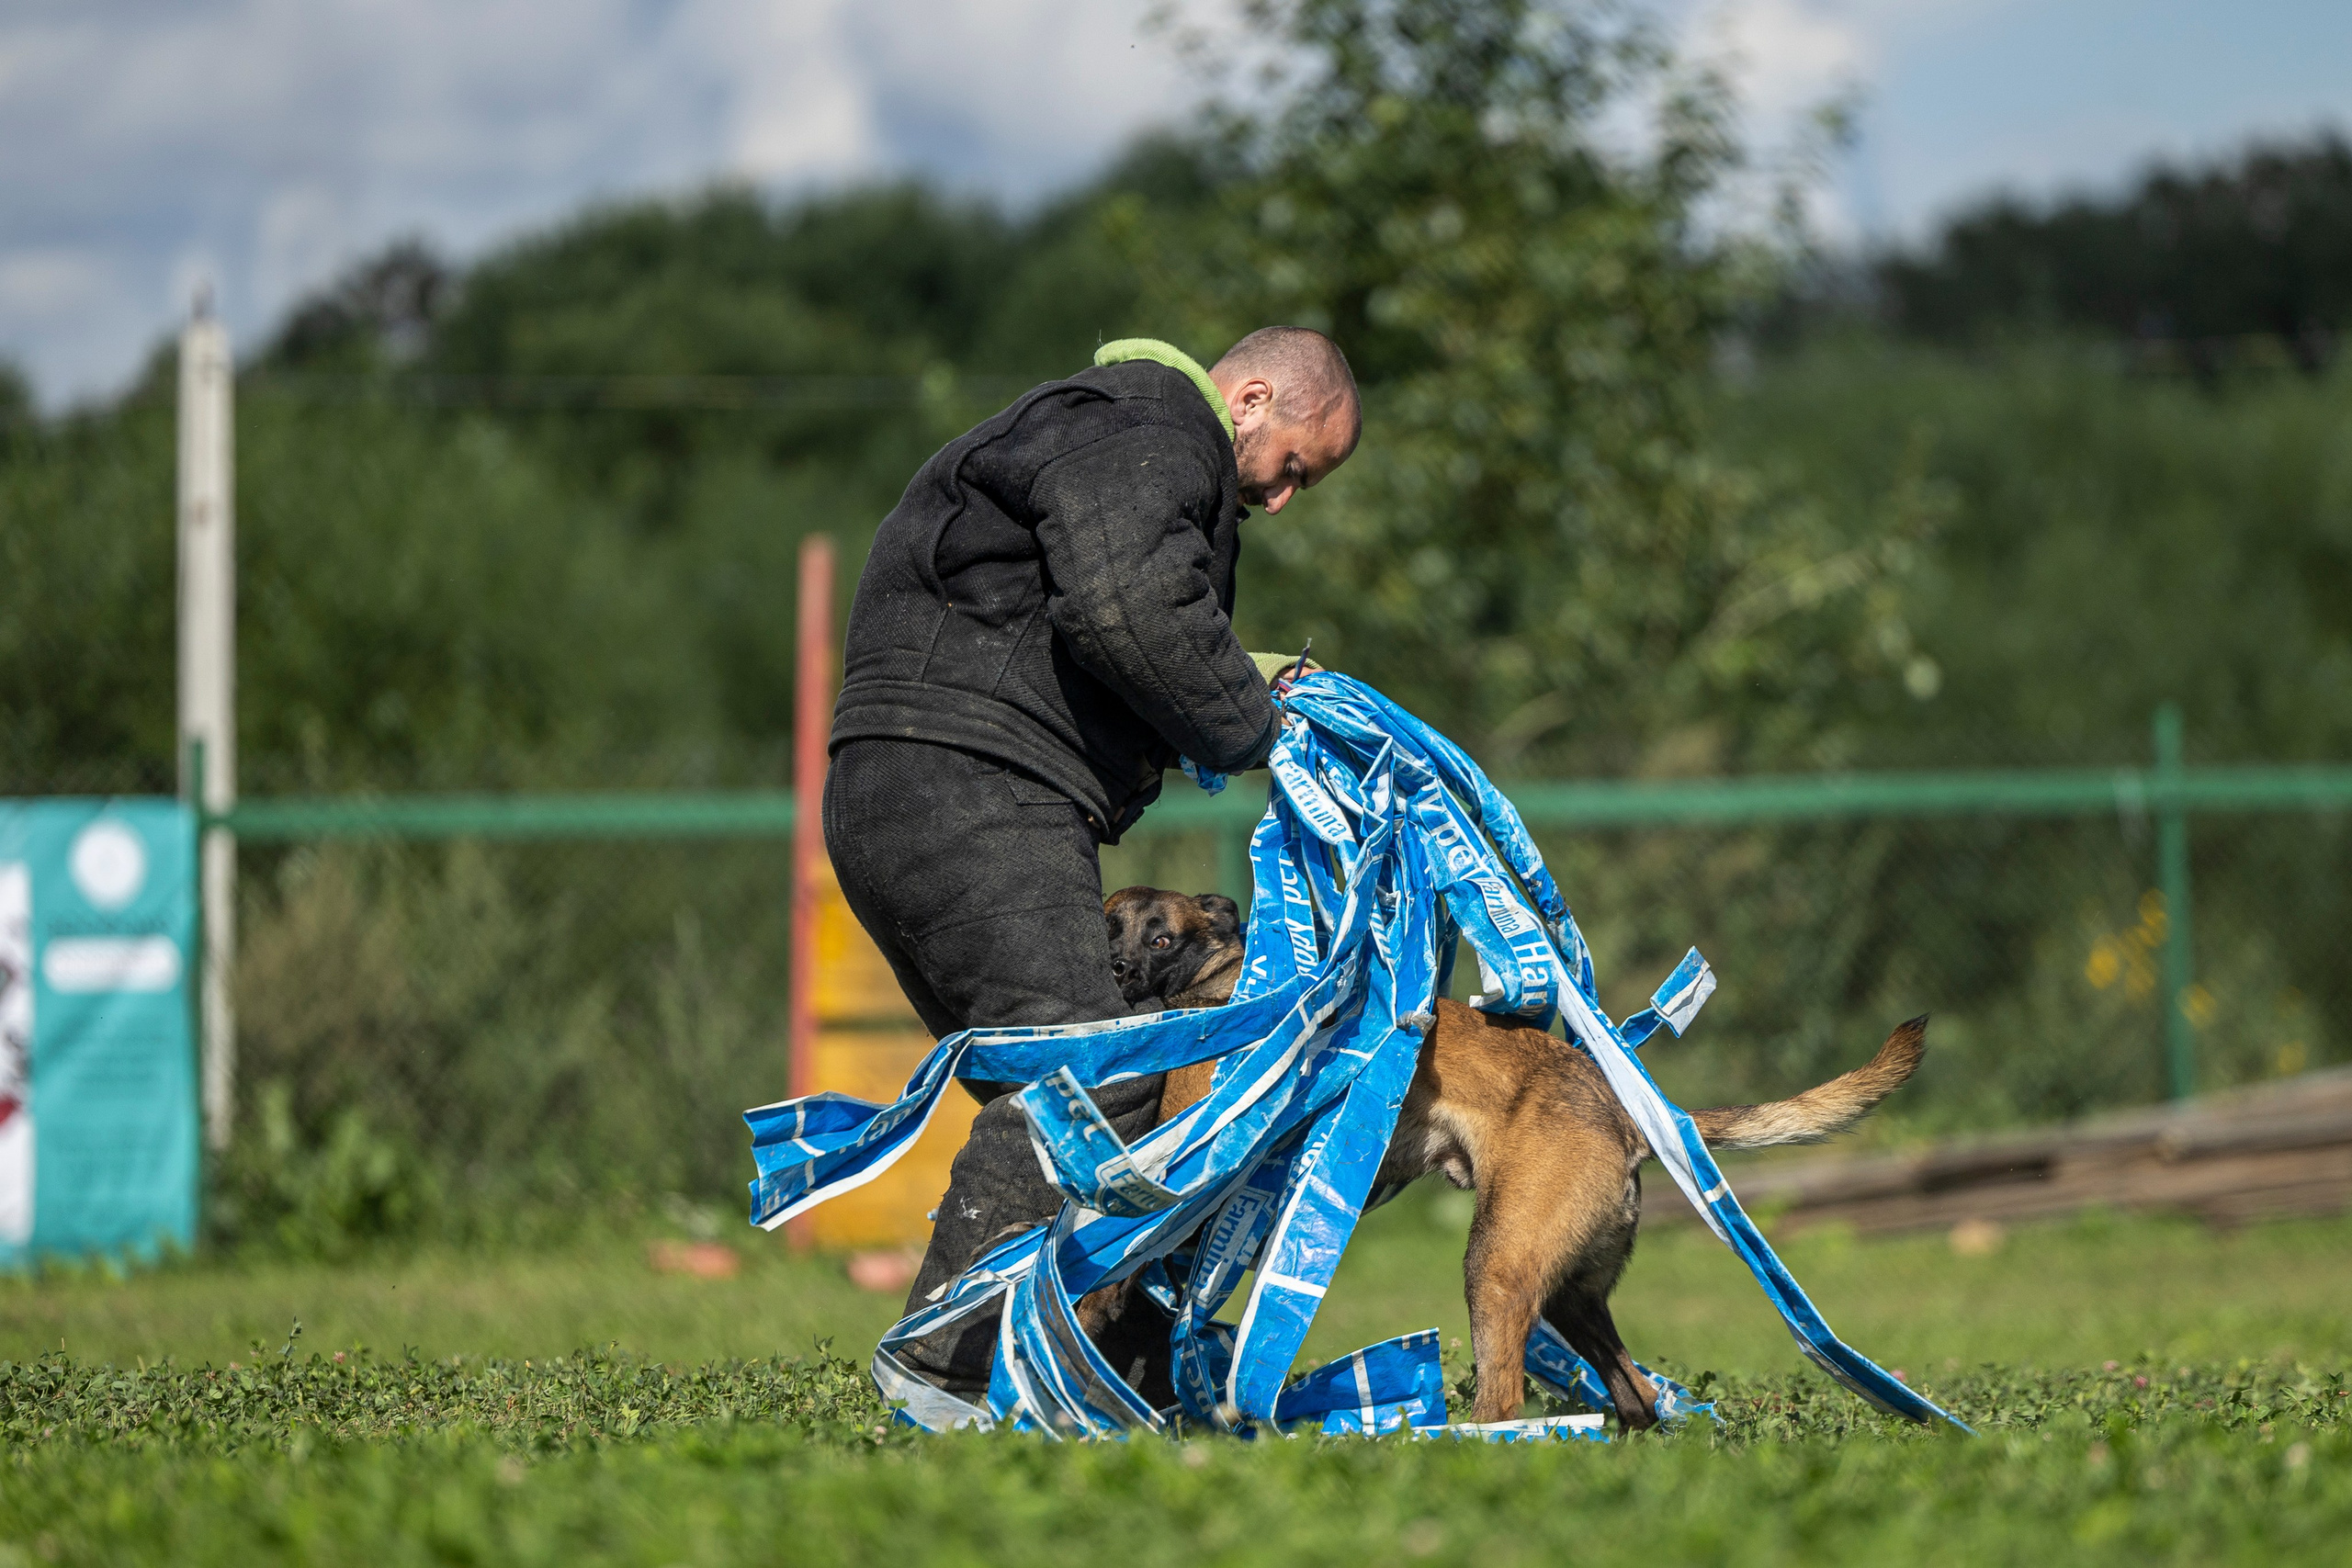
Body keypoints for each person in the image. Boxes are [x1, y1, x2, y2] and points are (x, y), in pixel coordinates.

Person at [823, 327, 1361, 1394]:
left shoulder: (1113, 440)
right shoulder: (1149, 423)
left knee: (1062, 1098)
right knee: (1091, 1081)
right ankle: (947, 1373)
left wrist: (1264, 680)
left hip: (913, 780)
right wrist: (1253, 730)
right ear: (1251, 400)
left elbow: (1100, 622)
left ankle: (1119, 1358)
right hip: (970, 784)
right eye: (1294, 466)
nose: (1281, 498)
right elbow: (1127, 608)